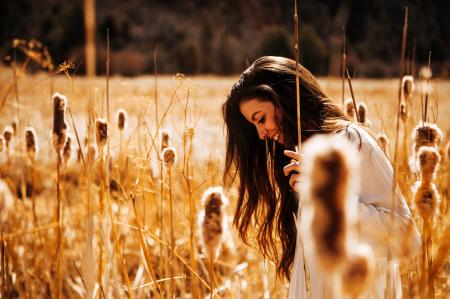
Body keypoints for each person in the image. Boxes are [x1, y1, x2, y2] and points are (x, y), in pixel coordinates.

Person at [222, 56, 420, 298]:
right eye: (255, 126)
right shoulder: (300, 163)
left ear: (284, 98)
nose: (261, 134)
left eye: (261, 119)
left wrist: (327, 197)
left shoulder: (352, 141)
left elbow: (408, 237)